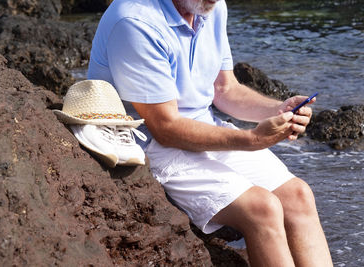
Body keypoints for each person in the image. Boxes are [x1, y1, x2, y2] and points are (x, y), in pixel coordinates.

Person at [87, 0, 333, 266]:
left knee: (299, 195)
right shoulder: (135, 21)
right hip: (148, 143)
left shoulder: (210, 7)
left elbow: (225, 89)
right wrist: (253, 139)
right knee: (263, 208)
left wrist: (278, 109)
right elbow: (165, 128)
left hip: (204, 125)